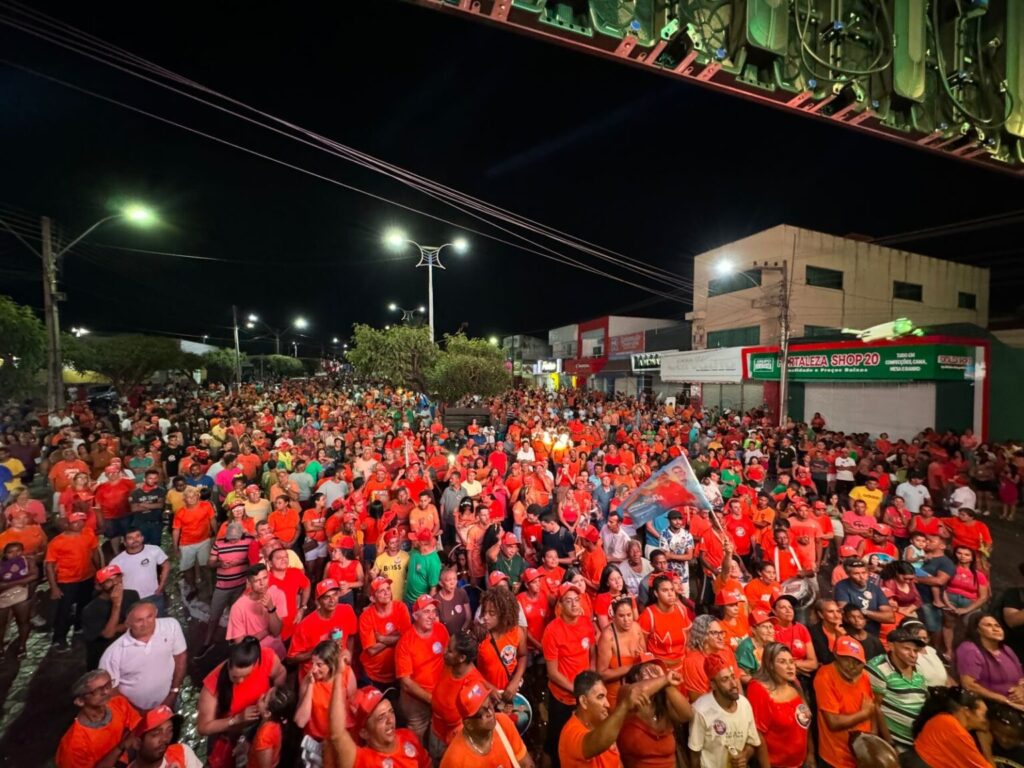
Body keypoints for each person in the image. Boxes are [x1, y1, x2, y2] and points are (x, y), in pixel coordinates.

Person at [197, 636, 286, 755]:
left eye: (246, 675)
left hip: (260, 725)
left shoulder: (267, 657)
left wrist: (273, 698)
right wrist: (237, 719)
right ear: (228, 666)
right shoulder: (212, 686)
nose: (240, 681)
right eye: (234, 676)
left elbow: (281, 673)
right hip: (230, 733)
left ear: (255, 664)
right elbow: (203, 727)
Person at [326, 670, 430, 768]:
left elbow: (426, 764)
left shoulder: (408, 736)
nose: (390, 720)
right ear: (364, 732)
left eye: (391, 711)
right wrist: (339, 673)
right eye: (381, 717)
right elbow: (337, 734)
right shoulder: (364, 761)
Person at [543, 582, 597, 768]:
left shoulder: (586, 623)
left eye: (577, 599)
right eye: (569, 601)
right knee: (555, 741)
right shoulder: (552, 631)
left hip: (584, 694)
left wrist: (592, 680)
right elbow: (552, 672)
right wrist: (576, 689)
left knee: (582, 736)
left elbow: (592, 653)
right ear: (560, 606)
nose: (574, 604)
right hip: (563, 697)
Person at [99, 601, 187, 712]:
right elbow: (111, 690)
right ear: (127, 624)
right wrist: (137, 713)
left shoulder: (171, 626)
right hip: (131, 713)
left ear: (156, 613)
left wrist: (174, 692)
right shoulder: (113, 653)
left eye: (149, 616)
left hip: (171, 700)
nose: (146, 624)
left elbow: (180, 657)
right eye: (139, 620)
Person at [558, 670, 650, 768]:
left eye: (605, 696)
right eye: (600, 697)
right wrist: (624, 706)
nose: (607, 704)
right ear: (584, 701)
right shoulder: (570, 733)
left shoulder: (602, 723)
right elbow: (597, 743)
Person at [688, 653, 766, 768]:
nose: (733, 684)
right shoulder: (700, 710)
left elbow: (752, 742)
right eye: (725, 680)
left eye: (733, 677)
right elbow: (694, 754)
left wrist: (744, 756)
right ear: (713, 685)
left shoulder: (744, 704)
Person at [438, 677, 534, 768]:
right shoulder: (454, 760)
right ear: (469, 724)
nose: (490, 713)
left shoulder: (503, 722)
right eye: (482, 713)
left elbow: (526, 763)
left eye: (490, 705)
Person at [746, 642, 814, 768]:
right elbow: (758, 736)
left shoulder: (795, 684)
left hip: (802, 763)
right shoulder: (758, 689)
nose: (790, 667)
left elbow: (805, 722)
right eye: (782, 662)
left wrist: (811, 754)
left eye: (791, 662)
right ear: (770, 665)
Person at [617, 656, 693, 768]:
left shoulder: (663, 702)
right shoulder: (625, 692)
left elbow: (687, 715)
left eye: (656, 671)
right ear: (636, 676)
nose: (654, 675)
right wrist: (664, 680)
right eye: (648, 670)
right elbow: (638, 691)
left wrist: (667, 685)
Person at [55, 669, 141, 768]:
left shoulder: (119, 703)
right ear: (80, 701)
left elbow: (140, 726)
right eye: (97, 690)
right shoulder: (74, 745)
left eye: (107, 686)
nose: (106, 692)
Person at [814, 636, 877, 768]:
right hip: (836, 758)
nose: (851, 665)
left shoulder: (865, 676)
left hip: (861, 757)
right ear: (836, 656)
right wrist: (864, 714)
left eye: (857, 662)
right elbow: (833, 722)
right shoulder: (824, 676)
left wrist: (873, 744)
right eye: (846, 659)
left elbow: (872, 712)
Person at [395, 593, 450, 744]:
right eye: (427, 611)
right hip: (416, 702)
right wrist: (431, 699)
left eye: (434, 612)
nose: (432, 616)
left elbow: (449, 658)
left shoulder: (441, 630)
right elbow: (406, 683)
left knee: (440, 736)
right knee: (416, 738)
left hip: (440, 694)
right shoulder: (405, 643)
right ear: (415, 615)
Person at [866, 625, 928, 752]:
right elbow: (875, 707)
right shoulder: (878, 668)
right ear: (891, 646)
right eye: (906, 649)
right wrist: (889, 742)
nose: (913, 655)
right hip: (896, 743)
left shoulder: (918, 668)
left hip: (921, 740)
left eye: (915, 651)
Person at [295, 640, 356, 766]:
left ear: (331, 665)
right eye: (313, 663)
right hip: (317, 741)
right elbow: (300, 721)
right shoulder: (308, 680)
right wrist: (311, 686)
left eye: (319, 665)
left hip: (339, 738)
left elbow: (353, 707)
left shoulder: (347, 673)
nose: (314, 669)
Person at [45, 511, 100, 652]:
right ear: (67, 524)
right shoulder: (57, 542)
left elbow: (94, 553)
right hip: (67, 580)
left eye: (82, 520)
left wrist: (99, 572)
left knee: (85, 604)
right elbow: (49, 565)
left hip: (87, 577)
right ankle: (58, 638)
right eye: (76, 521)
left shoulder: (88, 533)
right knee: (64, 610)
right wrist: (54, 587)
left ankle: (79, 627)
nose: (80, 524)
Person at [429, 630, 488, 759]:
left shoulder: (473, 685)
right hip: (435, 730)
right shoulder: (450, 665)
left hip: (453, 742)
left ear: (462, 658)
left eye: (449, 651)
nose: (444, 652)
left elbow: (475, 723)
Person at [287, 579, 358, 679]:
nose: (332, 600)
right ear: (318, 600)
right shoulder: (305, 625)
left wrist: (348, 654)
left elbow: (351, 636)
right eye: (327, 597)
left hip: (338, 672)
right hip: (315, 678)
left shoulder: (347, 611)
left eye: (335, 595)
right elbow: (291, 658)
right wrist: (316, 651)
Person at [910, 686, 992, 768]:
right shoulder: (956, 731)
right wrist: (987, 748)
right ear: (967, 711)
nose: (988, 720)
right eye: (984, 715)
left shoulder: (942, 718)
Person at [956, 612, 1024, 708]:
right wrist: (1004, 700)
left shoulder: (1007, 649)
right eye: (988, 625)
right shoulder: (969, 649)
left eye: (997, 625)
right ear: (977, 630)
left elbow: (1021, 678)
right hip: (988, 706)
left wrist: (1021, 690)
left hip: (1016, 704)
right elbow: (968, 685)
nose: (996, 629)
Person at [358, 575, 412, 689]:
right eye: (381, 591)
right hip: (372, 675)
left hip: (397, 672)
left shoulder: (401, 608)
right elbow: (371, 650)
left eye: (388, 588)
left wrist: (381, 638)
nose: (386, 592)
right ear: (372, 598)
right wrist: (396, 635)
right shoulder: (366, 617)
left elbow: (407, 638)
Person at [476, 585, 528, 703]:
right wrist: (488, 687)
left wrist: (515, 681)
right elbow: (470, 669)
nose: (485, 617)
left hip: (510, 693)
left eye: (492, 613)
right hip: (486, 696)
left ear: (504, 613)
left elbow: (523, 656)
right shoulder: (479, 635)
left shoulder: (517, 632)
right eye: (484, 611)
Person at [227, 563, 287, 658]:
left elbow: (276, 631)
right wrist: (266, 631)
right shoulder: (238, 607)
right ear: (249, 583)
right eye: (257, 581)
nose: (262, 583)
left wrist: (271, 608)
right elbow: (241, 644)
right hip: (254, 658)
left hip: (276, 653)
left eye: (265, 578)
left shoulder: (278, 594)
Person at [109, 527, 170, 615]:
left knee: (160, 621)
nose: (135, 540)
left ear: (142, 538)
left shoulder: (154, 550)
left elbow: (166, 565)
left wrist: (162, 584)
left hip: (154, 594)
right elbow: (112, 582)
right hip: (132, 601)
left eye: (137, 536)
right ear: (125, 542)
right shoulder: (116, 562)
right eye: (130, 538)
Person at [638, 573, 692, 671]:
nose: (670, 594)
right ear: (656, 593)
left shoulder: (682, 610)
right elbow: (642, 649)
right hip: (660, 670)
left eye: (672, 589)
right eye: (665, 590)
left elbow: (689, 639)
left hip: (683, 667)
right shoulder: (648, 615)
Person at [171, 486, 215, 601]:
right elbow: (176, 530)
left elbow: (212, 520)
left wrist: (216, 533)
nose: (191, 499)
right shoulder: (180, 513)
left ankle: (211, 588)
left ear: (198, 496)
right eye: (188, 497)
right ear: (184, 499)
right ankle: (193, 588)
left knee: (206, 566)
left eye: (193, 496)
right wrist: (175, 548)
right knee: (187, 568)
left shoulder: (206, 506)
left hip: (204, 540)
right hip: (186, 544)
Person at [126, 704, 203, 768]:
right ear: (137, 743)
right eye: (156, 734)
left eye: (169, 731)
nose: (165, 739)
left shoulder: (182, 752)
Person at [834, 559, 893, 636]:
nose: (861, 576)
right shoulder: (842, 586)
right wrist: (876, 615)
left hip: (872, 633)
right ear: (848, 574)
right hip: (852, 633)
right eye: (856, 574)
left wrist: (864, 612)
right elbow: (848, 613)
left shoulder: (874, 588)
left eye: (864, 573)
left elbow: (890, 617)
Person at [0, 540, 37, 658]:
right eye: (11, 552)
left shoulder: (27, 561)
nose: (15, 554)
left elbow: (34, 575)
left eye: (18, 551)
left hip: (21, 595)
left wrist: (7, 585)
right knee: (1, 624)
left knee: (23, 621)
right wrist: (21, 582)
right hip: (3, 597)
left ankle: (22, 646)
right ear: (5, 553)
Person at [735, 608, 776, 679]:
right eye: (765, 627)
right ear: (753, 630)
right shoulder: (746, 647)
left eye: (771, 627)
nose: (770, 631)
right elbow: (742, 676)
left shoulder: (771, 644)